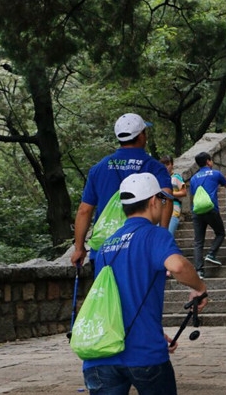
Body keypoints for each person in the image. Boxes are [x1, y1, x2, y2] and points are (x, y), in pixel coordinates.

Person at [82, 172, 208, 395]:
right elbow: (178, 266)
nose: (162, 205)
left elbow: (111, 299)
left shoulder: (106, 245)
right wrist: (199, 288)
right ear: (152, 201)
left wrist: (156, 331)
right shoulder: (155, 235)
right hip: (144, 353)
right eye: (161, 200)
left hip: (101, 355)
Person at [71, 113, 172, 274]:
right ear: (141, 136)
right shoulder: (154, 167)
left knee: (106, 296)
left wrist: (79, 248)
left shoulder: (98, 168)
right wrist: (163, 234)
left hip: (104, 248)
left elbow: (84, 210)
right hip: (141, 246)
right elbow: (166, 199)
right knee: (139, 297)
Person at [190, 152, 226, 279]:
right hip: (211, 209)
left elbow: (194, 194)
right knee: (220, 233)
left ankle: (199, 271)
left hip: (197, 211)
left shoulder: (193, 178)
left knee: (198, 241)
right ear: (208, 162)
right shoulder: (215, 173)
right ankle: (211, 254)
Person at [160, 155, 187, 236]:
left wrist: (170, 194)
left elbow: (184, 192)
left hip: (174, 209)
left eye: (167, 164)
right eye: (163, 165)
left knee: (169, 234)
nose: (166, 167)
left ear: (172, 165)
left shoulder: (176, 177)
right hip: (160, 210)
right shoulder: (159, 178)